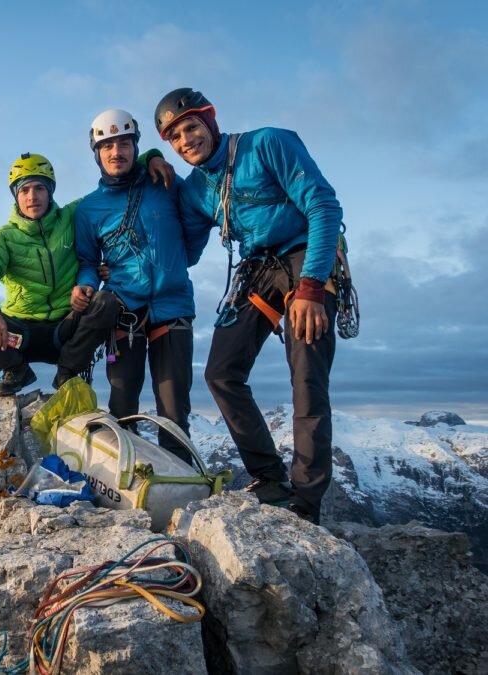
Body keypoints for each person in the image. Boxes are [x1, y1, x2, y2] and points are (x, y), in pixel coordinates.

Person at [155, 87, 343, 524]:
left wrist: (313, 288)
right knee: (222, 372)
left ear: (210, 120)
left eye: (191, 128)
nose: (186, 141)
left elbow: (324, 205)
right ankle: (269, 478)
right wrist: (150, 167)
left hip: (305, 257)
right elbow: (186, 251)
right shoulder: (195, 190)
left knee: (307, 375)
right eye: (175, 138)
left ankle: (306, 503)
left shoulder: (269, 143)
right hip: (259, 268)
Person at [0, 151, 171, 396]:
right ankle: (17, 370)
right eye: (24, 190)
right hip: (19, 335)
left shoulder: (72, 216)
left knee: (105, 303)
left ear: (50, 191)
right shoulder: (2, 239)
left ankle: (67, 373)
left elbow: (112, 182)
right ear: (16, 196)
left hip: (64, 330)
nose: (32, 196)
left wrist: (150, 158)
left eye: (39, 188)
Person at [71, 109, 204, 462]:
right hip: (124, 311)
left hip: (173, 307)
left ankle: (179, 484)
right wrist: (86, 283)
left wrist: (181, 259)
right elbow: (87, 260)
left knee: (174, 410)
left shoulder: (166, 184)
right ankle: (123, 480)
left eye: (125, 143)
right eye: (107, 145)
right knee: (122, 402)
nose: (117, 152)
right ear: (96, 154)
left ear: (135, 146)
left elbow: (197, 222)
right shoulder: (88, 210)